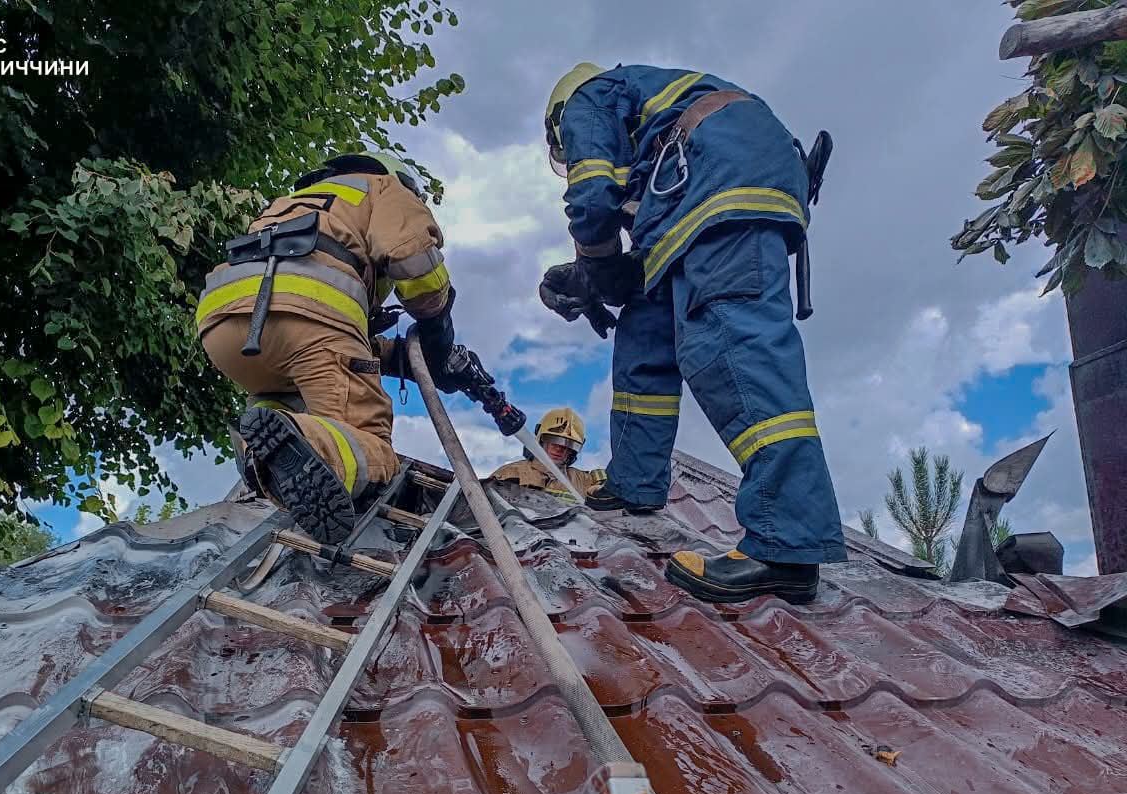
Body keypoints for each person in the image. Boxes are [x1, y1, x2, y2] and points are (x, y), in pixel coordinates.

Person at [539, 63, 846, 603]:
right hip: (706, 198)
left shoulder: (588, 99)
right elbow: (633, 260)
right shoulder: (647, 126)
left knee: (732, 348)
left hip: (725, 195)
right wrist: (594, 280)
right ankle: (633, 483)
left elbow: (591, 201)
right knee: (645, 327)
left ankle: (786, 545)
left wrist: (595, 270)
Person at [197, 152, 477, 544]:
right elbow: (412, 257)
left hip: (225, 326)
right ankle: (307, 446)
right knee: (367, 441)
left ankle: (261, 454)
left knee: (279, 397)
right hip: (311, 315)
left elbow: (326, 333)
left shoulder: (292, 203)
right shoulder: (383, 186)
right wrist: (437, 325)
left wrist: (398, 358)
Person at [490, 407, 606, 502]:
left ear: (573, 451)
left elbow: (612, 490)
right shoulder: (510, 474)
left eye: (568, 445)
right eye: (554, 440)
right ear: (541, 440)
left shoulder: (584, 481)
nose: (559, 448)